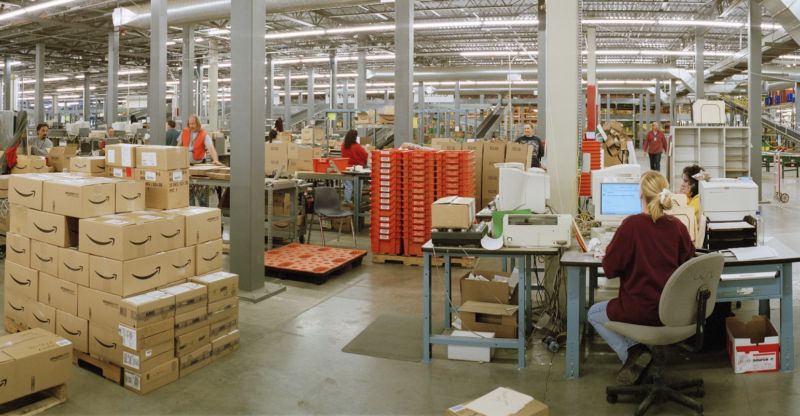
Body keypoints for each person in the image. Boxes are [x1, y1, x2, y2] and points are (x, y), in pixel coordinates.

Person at [587, 171, 695, 385]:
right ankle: (643, 357)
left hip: (639, 310)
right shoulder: (678, 227)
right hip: (673, 312)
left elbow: (609, 270)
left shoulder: (631, 226)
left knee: (593, 313)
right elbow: (689, 262)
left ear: (641, 195)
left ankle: (634, 354)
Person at [181, 114, 222, 207]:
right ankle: (190, 212)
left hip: (199, 167)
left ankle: (203, 213)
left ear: (198, 124)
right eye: (190, 123)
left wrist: (215, 159)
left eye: (193, 124)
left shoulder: (204, 135)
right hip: (187, 166)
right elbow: (179, 145)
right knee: (188, 194)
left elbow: (210, 147)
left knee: (202, 195)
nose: (191, 126)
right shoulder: (185, 132)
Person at [341, 129, 368, 203]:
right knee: (358, 186)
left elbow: (343, 157)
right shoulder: (357, 146)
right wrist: (364, 163)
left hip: (346, 168)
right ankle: (357, 202)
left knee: (348, 186)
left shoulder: (343, 146)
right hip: (357, 169)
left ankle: (347, 201)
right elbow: (365, 155)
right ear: (355, 137)